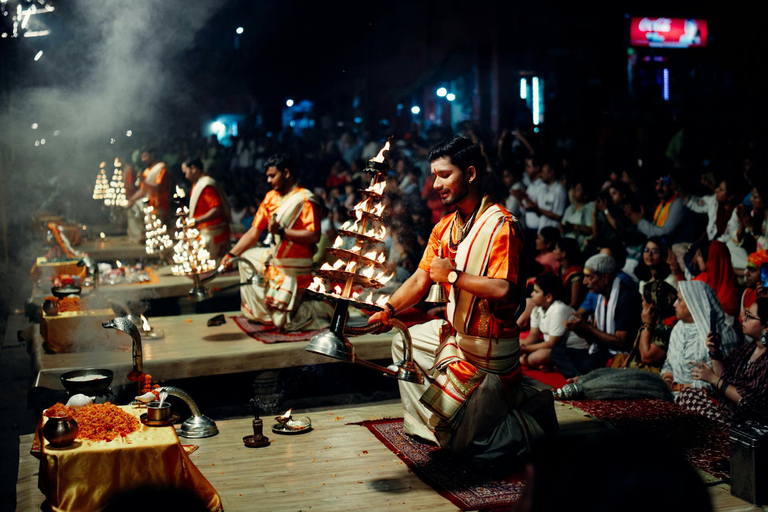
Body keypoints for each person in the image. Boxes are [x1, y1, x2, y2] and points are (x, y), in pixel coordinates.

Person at [369, 136, 554, 462]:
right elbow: (420, 278)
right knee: (405, 342)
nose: (435, 184)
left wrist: (453, 276)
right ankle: (431, 427)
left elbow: (504, 289)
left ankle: (528, 422)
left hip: (490, 354)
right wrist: (388, 309)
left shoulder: (502, 225)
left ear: (470, 173)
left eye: (444, 175)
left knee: (472, 450)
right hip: (458, 339)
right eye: (434, 175)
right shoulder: (444, 228)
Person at [221, 154, 332, 331]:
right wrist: (232, 254)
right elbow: (253, 232)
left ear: (286, 173)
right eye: (267, 176)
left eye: (272, 175)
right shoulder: (270, 197)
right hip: (276, 256)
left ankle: (306, 310)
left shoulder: (305, 199)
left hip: (296, 262)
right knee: (246, 259)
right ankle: (264, 313)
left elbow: (314, 236)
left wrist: (282, 231)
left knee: (285, 323)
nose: (268, 180)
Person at [686, 298, 768, 425]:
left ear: (766, 326)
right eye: (745, 315)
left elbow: (747, 401)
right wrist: (714, 352)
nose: (743, 319)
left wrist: (713, 379)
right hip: (728, 410)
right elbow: (724, 377)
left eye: (750, 317)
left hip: (748, 421)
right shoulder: (747, 349)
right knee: (688, 395)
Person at [562, 254, 641, 375]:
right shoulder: (599, 296)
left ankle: (584, 377)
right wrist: (579, 329)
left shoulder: (627, 297)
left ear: (605, 278)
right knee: (558, 352)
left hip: (619, 354)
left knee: (587, 365)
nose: (584, 282)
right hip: (601, 350)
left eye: (589, 277)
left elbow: (620, 341)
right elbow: (595, 338)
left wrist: (588, 327)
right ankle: (585, 376)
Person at [660, 281, 741, 396]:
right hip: (674, 394)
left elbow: (723, 380)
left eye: (679, 300)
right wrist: (668, 379)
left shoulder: (720, 335)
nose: (674, 304)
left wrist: (681, 387)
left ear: (694, 303)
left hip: (704, 399)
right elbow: (669, 363)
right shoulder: (678, 329)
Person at [520, 274, 588, 371]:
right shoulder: (537, 308)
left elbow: (552, 343)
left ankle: (548, 364)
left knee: (540, 356)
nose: (532, 294)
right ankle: (547, 365)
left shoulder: (558, 310)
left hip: (572, 350)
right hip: (553, 347)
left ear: (548, 297)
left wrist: (525, 350)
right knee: (518, 342)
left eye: (536, 292)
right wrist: (522, 347)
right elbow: (533, 335)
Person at [181, 158, 232, 261]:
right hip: (202, 230)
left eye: (185, 172)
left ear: (193, 168)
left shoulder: (206, 185)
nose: (185, 175)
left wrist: (196, 221)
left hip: (211, 233)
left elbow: (216, 210)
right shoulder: (198, 184)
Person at [692, 240, 740, 324]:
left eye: (700, 255)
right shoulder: (702, 279)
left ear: (711, 260)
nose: (697, 258)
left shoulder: (730, 296)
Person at [127, 148, 170, 223]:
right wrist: (132, 200)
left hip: (159, 204)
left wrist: (143, 180)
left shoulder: (160, 168)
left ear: (152, 155)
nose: (143, 160)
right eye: (142, 157)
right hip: (148, 205)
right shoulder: (146, 171)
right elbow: (143, 190)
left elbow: (157, 187)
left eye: (145, 156)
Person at [552, 237, 584, 309]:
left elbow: (574, 303)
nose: (553, 251)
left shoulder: (575, 275)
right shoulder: (560, 268)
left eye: (555, 249)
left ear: (563, 254)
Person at [740, 250, 768, 325]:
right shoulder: (747, 293)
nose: (747, 274)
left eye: (752, 269)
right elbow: (742, 322)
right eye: (747, 269)